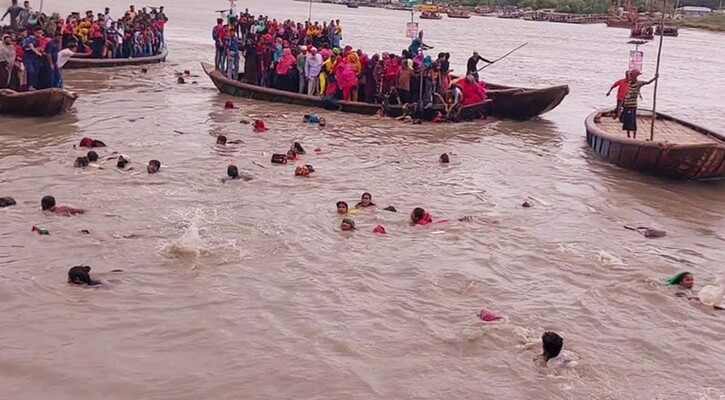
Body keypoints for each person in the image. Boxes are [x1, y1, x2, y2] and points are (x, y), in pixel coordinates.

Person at [621, 69, 657, 139]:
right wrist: (622, 103)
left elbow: (648, 82)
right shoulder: (629, 83)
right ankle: (628, 136)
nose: (630, 77)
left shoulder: (639, 83)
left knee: (632, 121)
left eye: (632, 75)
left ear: (635, 76)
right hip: (626, 105)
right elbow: (626, 94)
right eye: (630, 76)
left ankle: (634, 136)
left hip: (632, 105)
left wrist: (655, 78)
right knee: (626, 121)